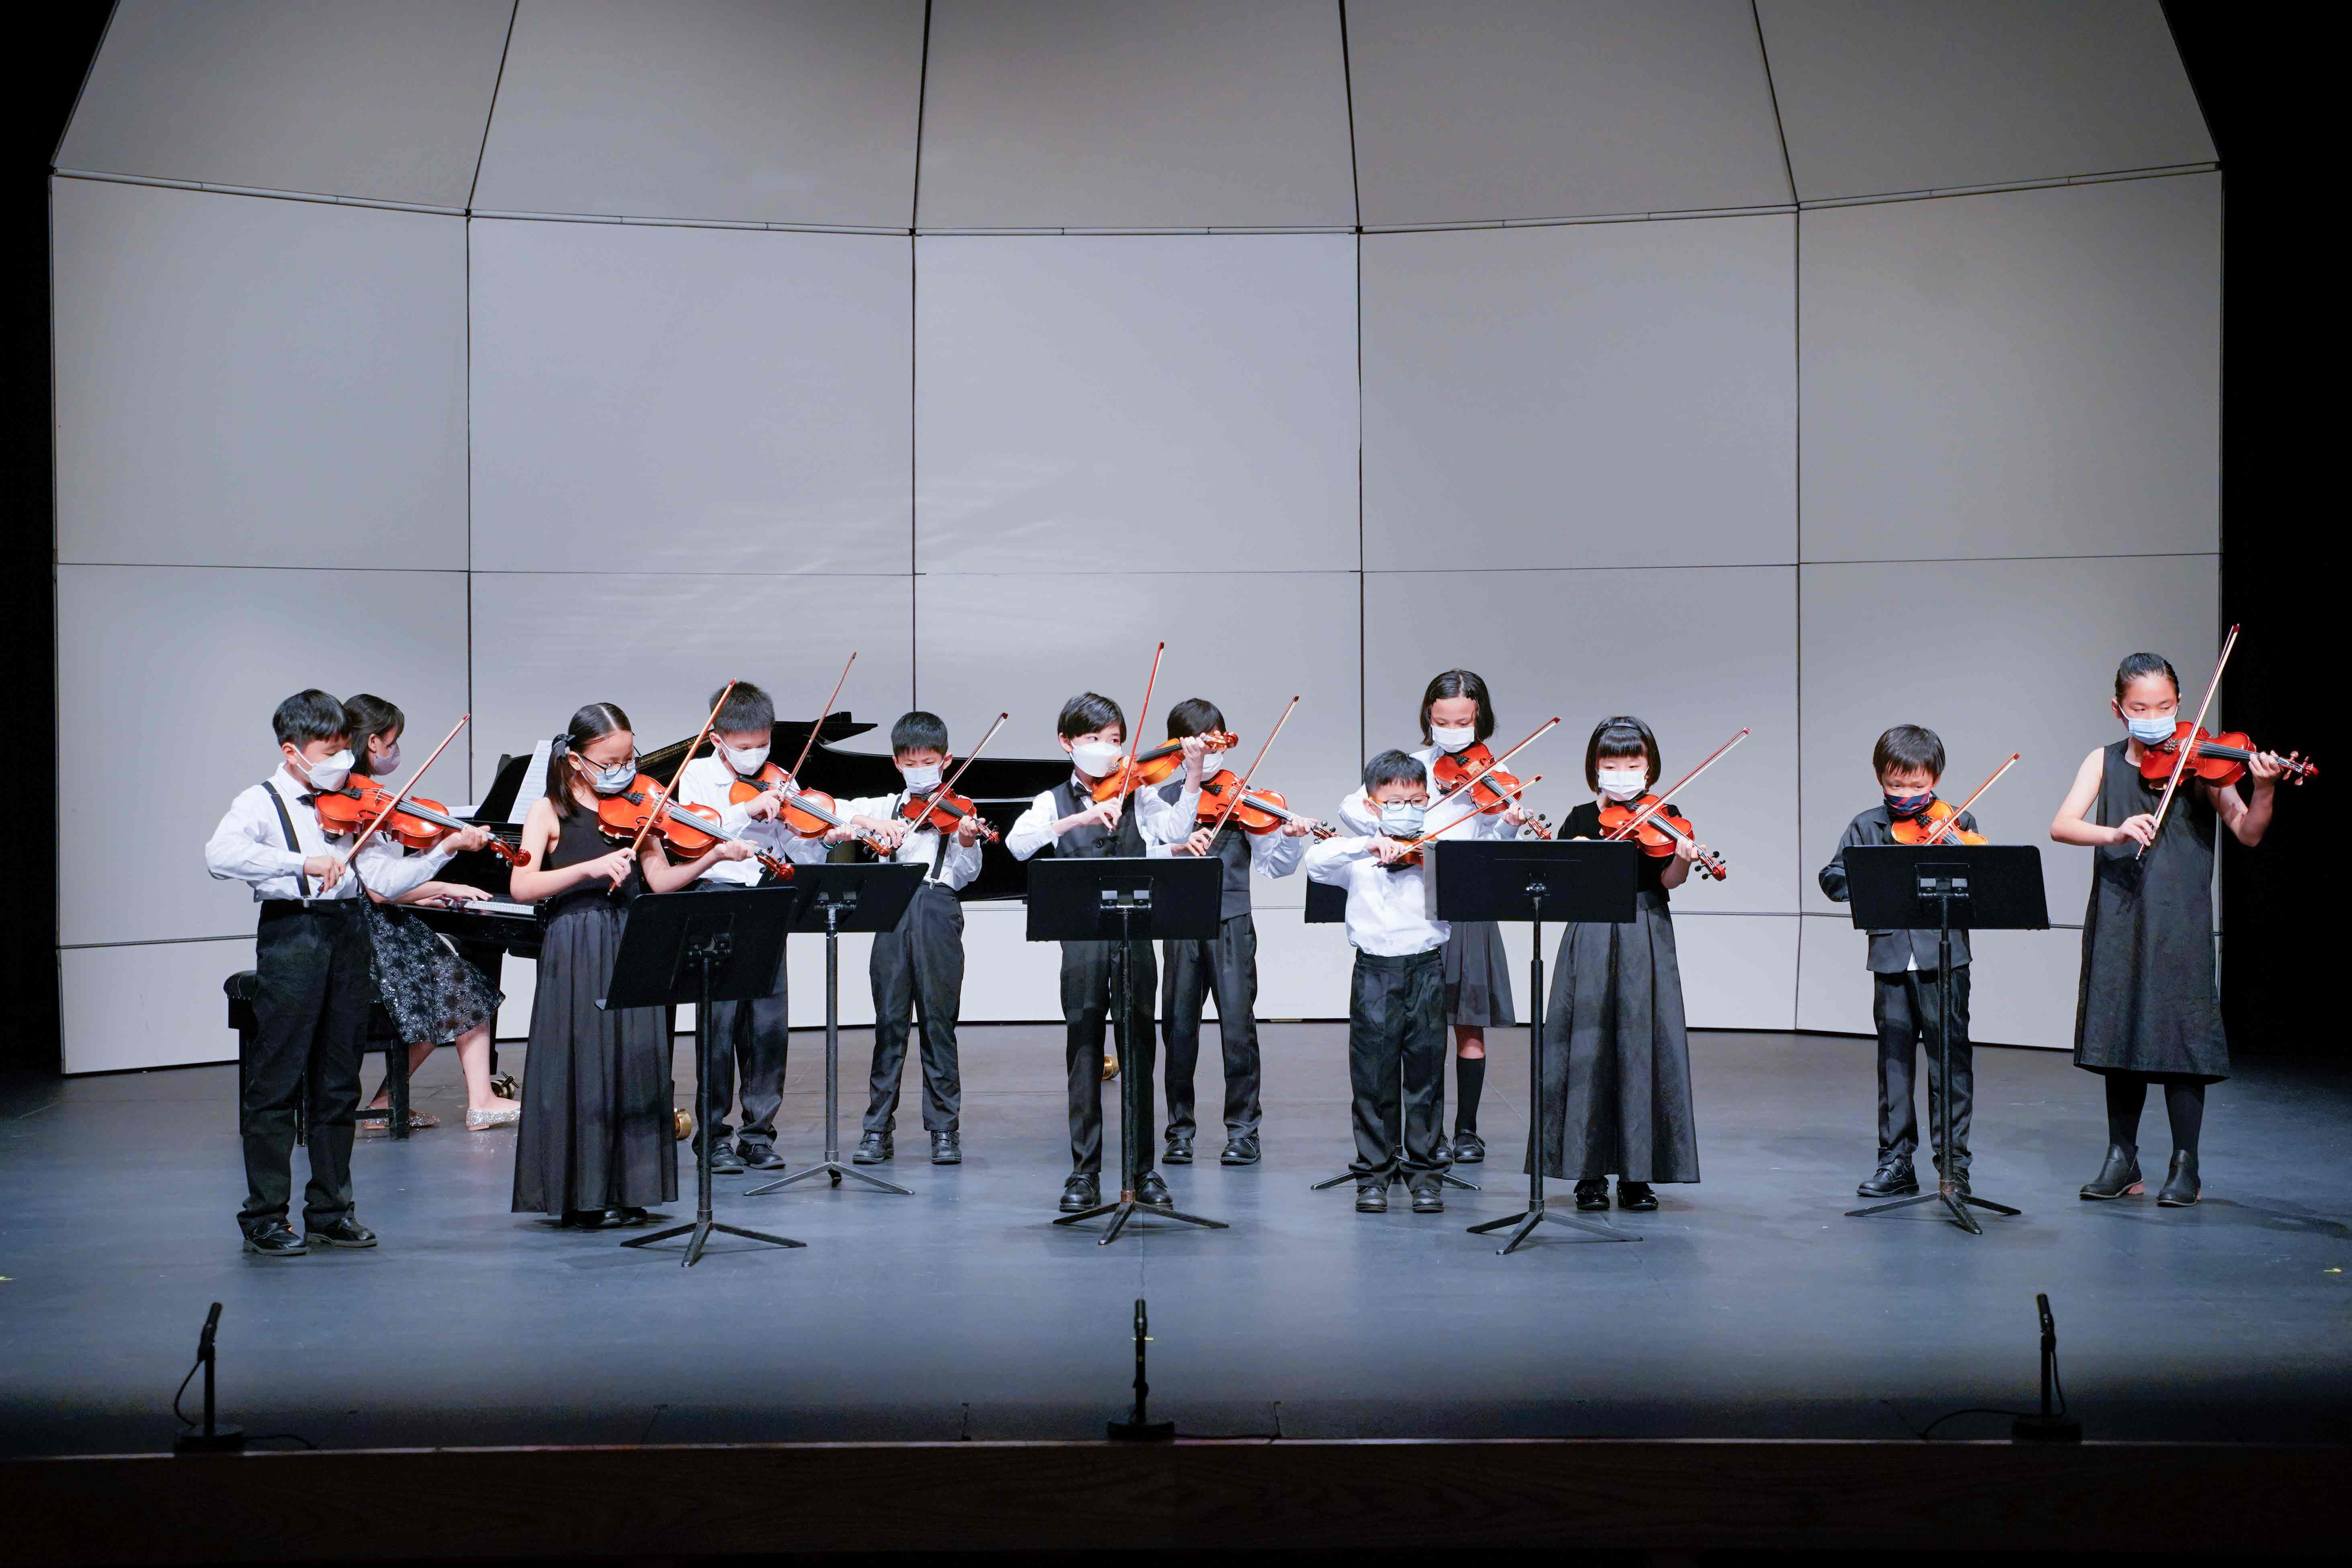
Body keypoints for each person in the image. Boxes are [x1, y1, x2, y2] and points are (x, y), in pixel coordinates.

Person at [204, 690, 491, 1256]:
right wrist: (301, 862)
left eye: (344, 748)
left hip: (348, 932)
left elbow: (383, 878)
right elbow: (220, 856)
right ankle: (264, 1216)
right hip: (294, 933)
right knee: (278, 1081)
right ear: (292, 752)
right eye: (328, 751)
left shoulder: (353, 801)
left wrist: (445, 849)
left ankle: (331, 1210)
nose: (341, 761)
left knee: (339, 1081)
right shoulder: (259, 802)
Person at [508, 703, 754, 1228]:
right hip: (576, 943)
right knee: (581, 1063)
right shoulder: (547, 811)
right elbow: (522, 885)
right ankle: (581, 1194)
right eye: (611, 762)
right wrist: (588, 869)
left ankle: (630, 1189)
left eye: (630, 759)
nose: (623, 770)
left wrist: (711, 858)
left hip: (630, 936)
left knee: (635, 1062)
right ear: (576, 760)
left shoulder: (641, 805)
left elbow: (660, 881)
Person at [2051, 652, 2284, 1207]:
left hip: (2180, 918)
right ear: (2118, 709)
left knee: (2182, 1035)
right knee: (2119, 1031)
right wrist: (2114, 832)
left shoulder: (2205, 762)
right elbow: (2062, 825)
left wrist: (2265, 789)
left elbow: (2248, 832)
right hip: (2120, 912)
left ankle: (2186, 1164)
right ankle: (2121, 1159)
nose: (2154, 717)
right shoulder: (2103, 760)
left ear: (2179, 703)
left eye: (2163, 706)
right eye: (2139, 708)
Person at [1337, 670, 1531, 1164]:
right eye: (1443, 721)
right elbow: (1351, 807)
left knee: (1468, 1022)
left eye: (1463, 722)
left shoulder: (1494, 774)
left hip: (1464, 899)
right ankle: (1424, 1136)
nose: (1452, 730)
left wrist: (1508, 825)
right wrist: (1396, 831)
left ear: (1479, 718)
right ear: (1429, 717)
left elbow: (1491, 846)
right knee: (1418, 1029)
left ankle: (1465, 1130)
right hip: (1415, 900)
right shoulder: (1415, 766)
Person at [1537, 716, 1704, 1213]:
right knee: (1585, 1045)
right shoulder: (1579, 819)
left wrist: (1684, 857)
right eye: (1611, 764)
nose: (1622, 774)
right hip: (1589, 930)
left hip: (1644, 929)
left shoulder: (1665, 815)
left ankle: (1636, 1174)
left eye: (1632, 765)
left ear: (1649, 768)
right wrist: (1577, 856)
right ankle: (1587, 1173)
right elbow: (1562, 885)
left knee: (1641, 1044)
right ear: (1595, 768)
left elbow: (1669, 881)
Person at [1006, 693, 1164, 1215]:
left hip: (1135, 930)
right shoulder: (1052, 800)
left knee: (1139, 1048)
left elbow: (1173, 829)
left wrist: (1188, 777)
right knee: (1084, 1051)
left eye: (1114, 739)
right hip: (1082, 935)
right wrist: (1078, 820)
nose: (1106, 748)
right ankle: (1085, 1170)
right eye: (1094, 738)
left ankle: (1143, 1170)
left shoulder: (1138, 792)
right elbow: (1018, 844)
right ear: (1067, 742)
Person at [1136, 698, 1311, 1166]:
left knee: (1238, 1027)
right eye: (1199, 743)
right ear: (1177, 747)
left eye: (1215, 741)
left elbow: (1274, 867)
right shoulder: (1160, 798)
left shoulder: (1244, 797)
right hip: (1179, 923)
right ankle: (1179, 1131)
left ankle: (1243, 1130)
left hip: (1231, 921)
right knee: (1178, 1029)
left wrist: (1288, 839)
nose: (1209, 751)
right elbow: (1148, 855)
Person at [672, 681, 834, 1174]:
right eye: (744, 747)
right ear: (717, 740)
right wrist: (746, 809)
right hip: (715, 897)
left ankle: (759, 1134)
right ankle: (712, 1137)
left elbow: (801, 851)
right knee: (718, 1024)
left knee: (768, 1025)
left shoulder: (779, 778)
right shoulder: (694, 775)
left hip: (767, 898)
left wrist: (823, 835)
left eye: (762, 744)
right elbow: (694, 832)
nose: (755, 754)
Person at [338, 693, 517, 1132]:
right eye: (393, 742)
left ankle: (388, 1102)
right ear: (374, 742)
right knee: (461, 989)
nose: (396, 751)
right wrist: (445, 856)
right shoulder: (356, 801)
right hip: (370, 936)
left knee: (454, 989)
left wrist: (427, 895)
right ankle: (481, 1102)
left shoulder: (362, 795)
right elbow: (380, 887)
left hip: (374, 922)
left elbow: (377, 884)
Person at [1819, 724, 1982, 1198]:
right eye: (1895, 784)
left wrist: (1954, 850)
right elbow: (1832, 878)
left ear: (1934, 779)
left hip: (1943, 958)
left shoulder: (1957, 821)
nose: (1905, 795)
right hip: (1889, 957)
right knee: (1893, 1064)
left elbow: (1980, 880)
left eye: (1917, 785)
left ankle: (1953, 1166)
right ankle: (1895, 1162)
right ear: (1879, 778)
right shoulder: (1866, 826)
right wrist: (1870, 880)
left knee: (1949, 1061)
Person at [1302, 750, 1452, 1214]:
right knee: (1372, 1078)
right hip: (1374, 972)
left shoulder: (1437, 849)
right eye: (1394, 802)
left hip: (1426, 968)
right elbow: (1314, 862)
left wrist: (1432, 857)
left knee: (1425, 1077)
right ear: (1371, 805)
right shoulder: (1356, 853)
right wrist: (1365, 845)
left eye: (1416, 801)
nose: (1406, 809)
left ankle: (1425, 1177)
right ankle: (1373, 1176)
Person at [836, 711, 985, 1165]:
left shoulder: (960, 808)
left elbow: (967, 873)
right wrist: (866, 823)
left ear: (946, 761)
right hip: (892, 908)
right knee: (889, 1022)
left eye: (928, 761)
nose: (920, 769)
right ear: (897, 763)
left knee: (939, 1022)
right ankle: (877, 1129)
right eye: (911, 762)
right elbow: (833, 811)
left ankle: (944, 1129)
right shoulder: (885, 805)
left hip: (938, 907)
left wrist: (967, 840)